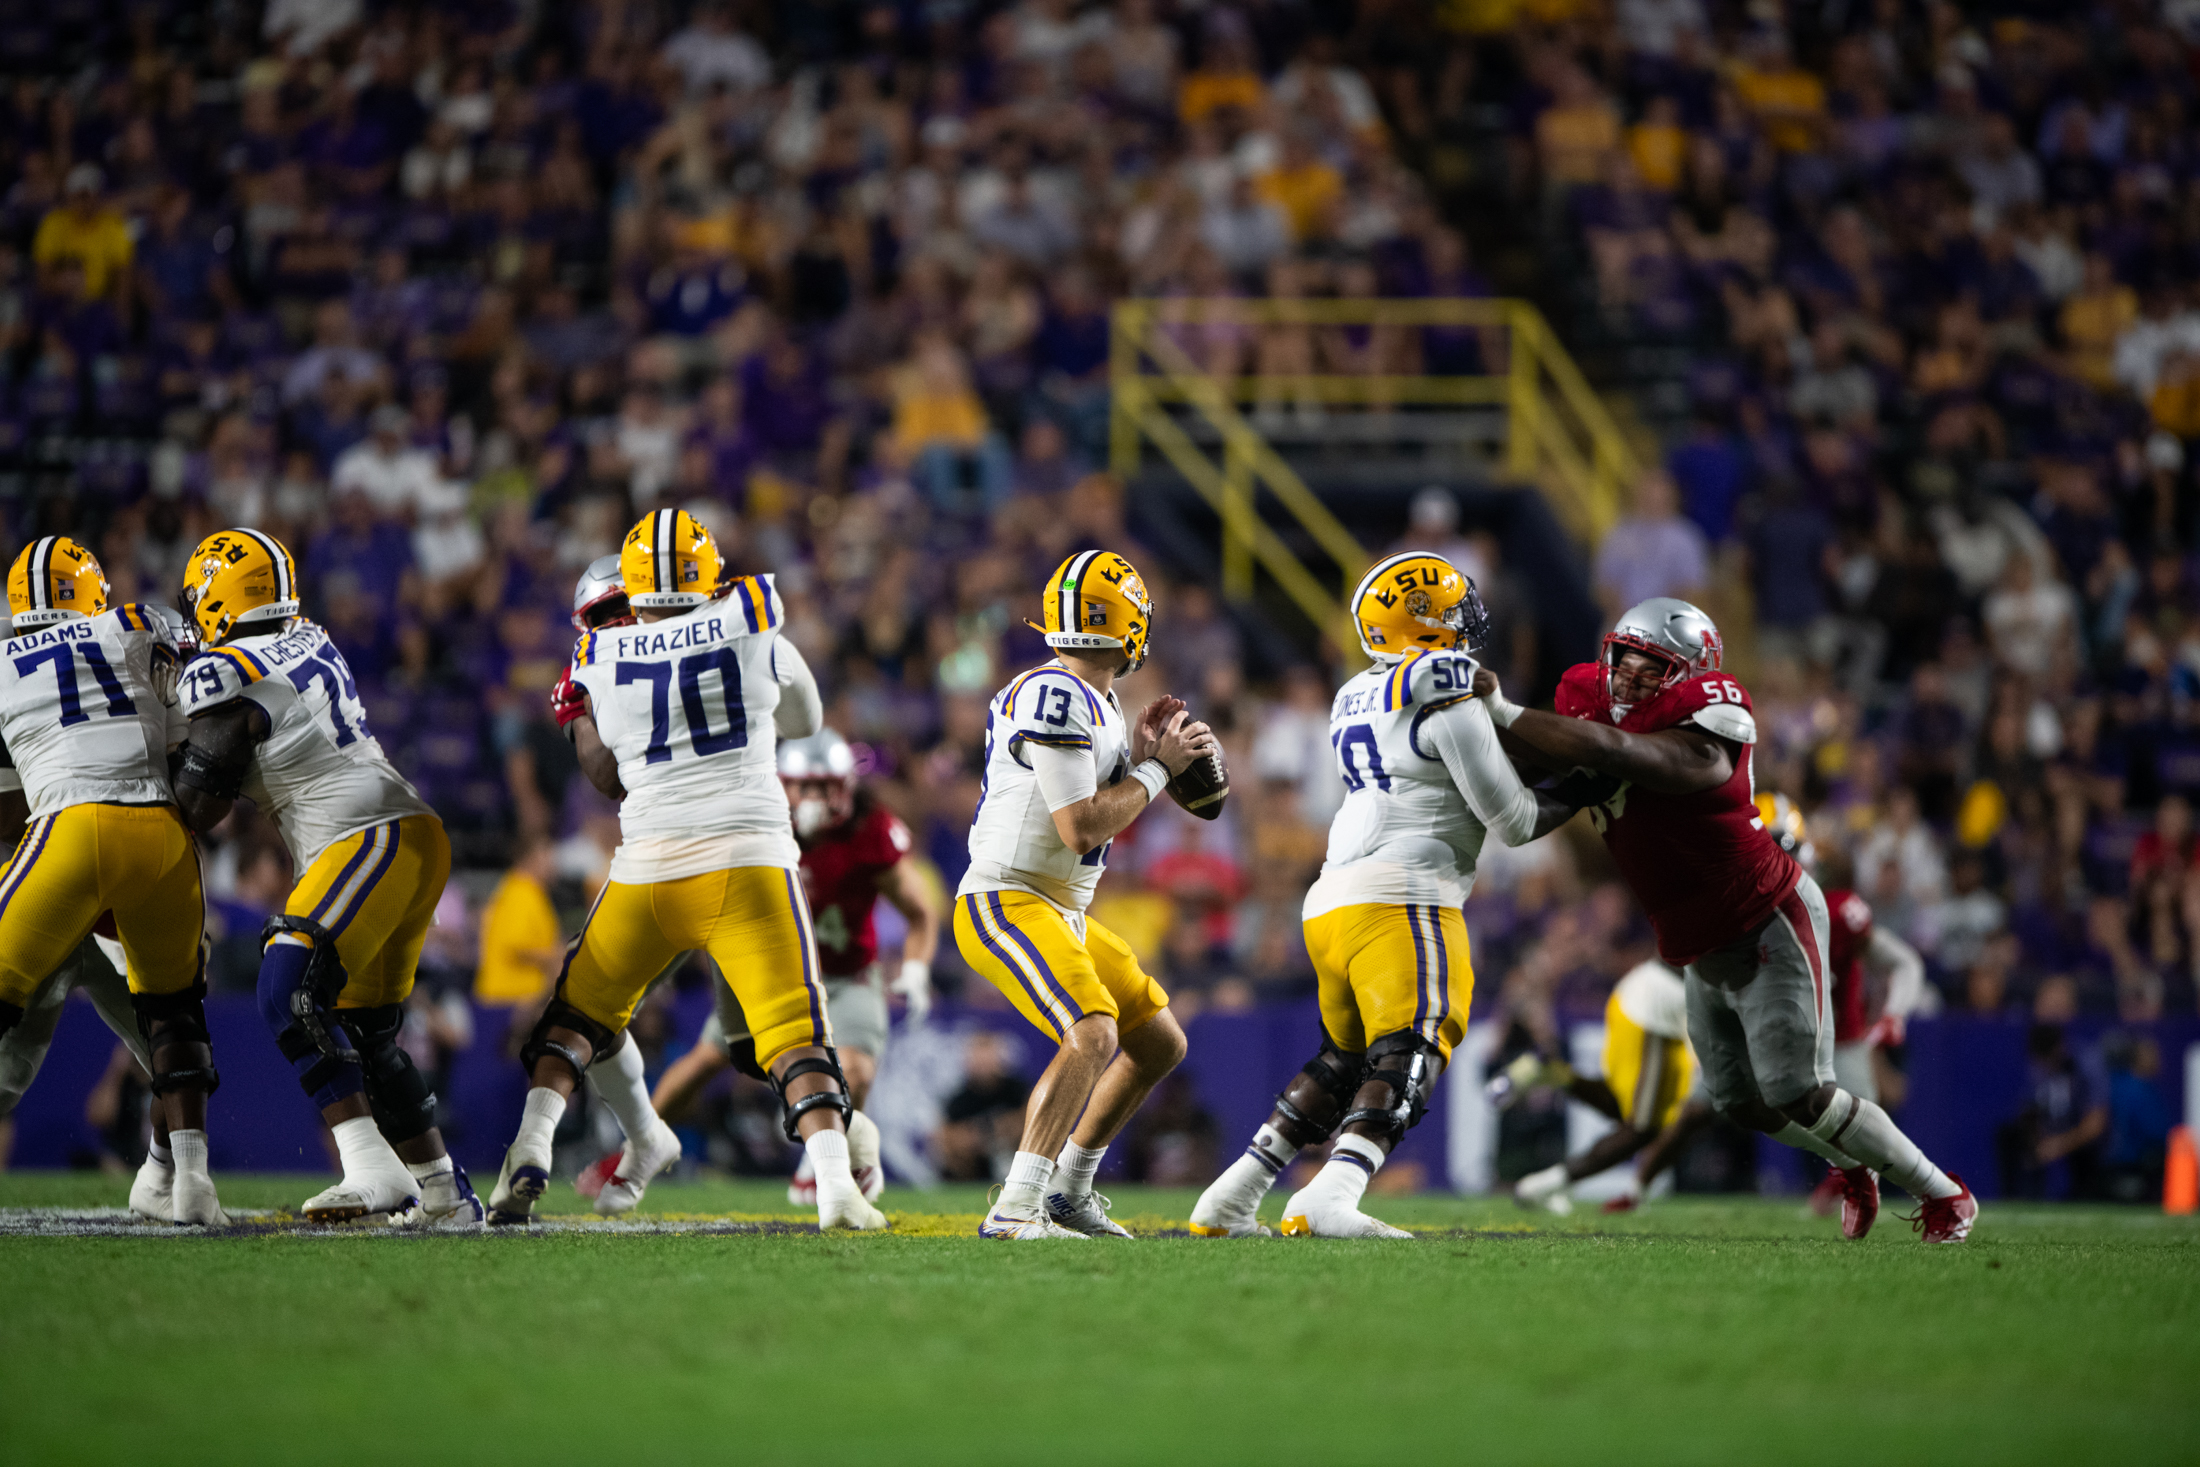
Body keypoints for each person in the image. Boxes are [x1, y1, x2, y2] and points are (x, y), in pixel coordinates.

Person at [1473, 598, 1978, 1243]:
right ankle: (1852, 1162)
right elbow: (1538, 802)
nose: (1627, 676)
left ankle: (1944, 1193)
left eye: (1649, 666)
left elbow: (1624, 754)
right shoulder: (1593, 707)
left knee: (1801, 1091)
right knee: (1740, 1102)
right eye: (1622, 659)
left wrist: (1503, 711)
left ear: (1688, 674)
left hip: (1765, 917)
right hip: (1697, 942)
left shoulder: (1711, 728)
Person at [504, 509, 886, 1231]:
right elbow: (807, 720)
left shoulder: (599, 658)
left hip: (649, 867)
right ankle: (834, 1182)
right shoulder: (751, 624)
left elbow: (608, 778)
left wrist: (582, 718)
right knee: (794, 1036)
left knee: (577, 1015)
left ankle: (532, 1146)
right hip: (747, 860)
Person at [1189, 553, 1580, 1238]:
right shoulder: (1448, 699)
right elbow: (1515, 823)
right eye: (1449, 612)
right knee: (1415, 1047)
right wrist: (1589, 783)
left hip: (1333, 899)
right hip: (1405, 896)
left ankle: (1232, 1194)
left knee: (1343, 1060)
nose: (1463, 623)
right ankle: (1331, 1194)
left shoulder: (1352, 691)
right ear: (1421, 625)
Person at [172, 529, 482, 1228]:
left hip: (366, 834)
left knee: (286, 984)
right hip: (404, 833)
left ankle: (371, 1165)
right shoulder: (305, 634)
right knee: (365, 1031)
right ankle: (443, 1191)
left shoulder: (227, 668)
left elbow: (199, 806)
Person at [954, 550, 1211, 1239]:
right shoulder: (1055, 693)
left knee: (1157, 1040)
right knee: (1092, 1032)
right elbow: (1080, 826)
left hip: (1059, 909)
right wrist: (1155, 768)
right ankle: (1015, 1207)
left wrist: (1143, 755)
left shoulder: (1090, 698)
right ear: (1128, 624)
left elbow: (1128, 798)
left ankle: (1069, 1188)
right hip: (1006, 899)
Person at [0, 541, 223, 1223]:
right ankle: (190, 1182)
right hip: (159, 835)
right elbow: (193, 746)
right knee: (177, 1016)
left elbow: (11, 805)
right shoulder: (136, 620)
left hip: (70, 831)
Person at [636, 726, 940, 1207]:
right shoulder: (758, 823)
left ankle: (818, 1165)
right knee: (707, 1058)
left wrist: (917, 968)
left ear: (847, 785)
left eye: (827, 784)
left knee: (857, 1073)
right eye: (808, 785)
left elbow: (920, 911)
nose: (818, 796)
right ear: (782, 784)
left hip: (846, 975)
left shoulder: (869, 830)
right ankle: (637, 1147)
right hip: (773, 975)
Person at [1495, 957, 1714, 1215]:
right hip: (1658, 1005)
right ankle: (1544, 1186)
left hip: (1642, 996)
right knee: (1643, 1126)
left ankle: (1554, 1073)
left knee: (1631, 1113)